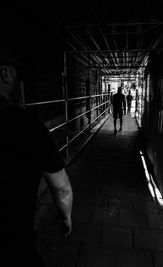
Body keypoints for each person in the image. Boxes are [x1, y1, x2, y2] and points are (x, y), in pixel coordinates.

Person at [0, 60, 73, 266]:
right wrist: (65, 217)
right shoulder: (25, 123)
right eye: (19, 78)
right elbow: (61, 189)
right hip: (12, 243)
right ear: (5, 73)